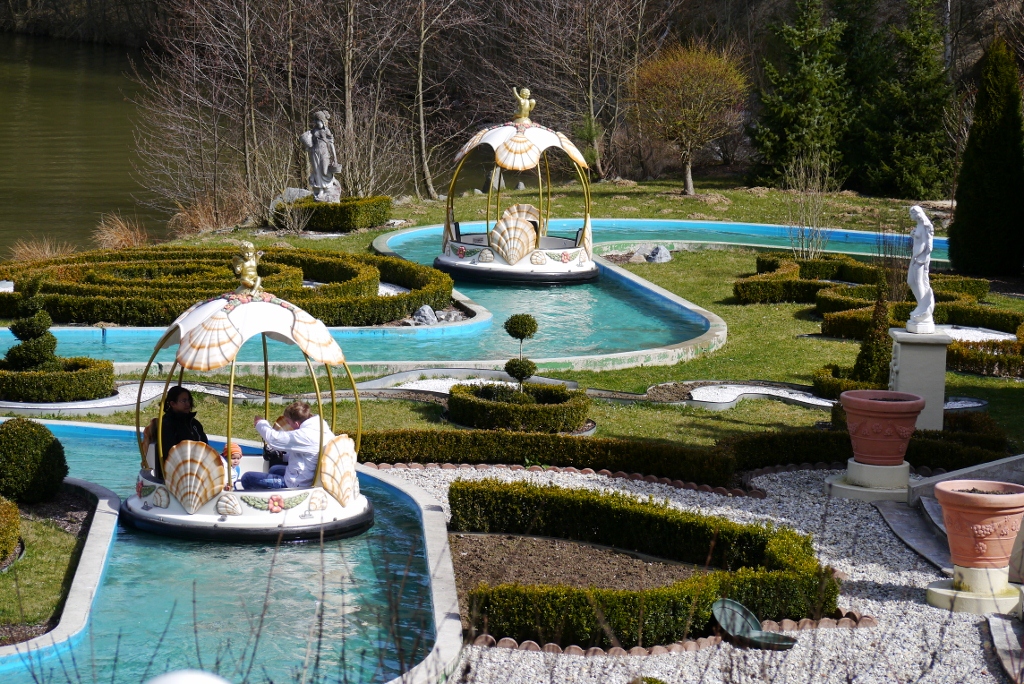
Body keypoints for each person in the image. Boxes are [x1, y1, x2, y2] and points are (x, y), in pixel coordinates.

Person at [241, 401, 333, 490]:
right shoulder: (320, 428)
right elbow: (306, 455)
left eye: (288, 422)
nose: (288, 425)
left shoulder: (305, 435)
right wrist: (283, 456)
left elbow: (274, 439)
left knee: (247, 478)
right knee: (274, 469)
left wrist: (260, 423)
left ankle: (267, 499)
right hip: (308, 475)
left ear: (296, 423)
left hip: (298, 485)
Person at [142, 386, 209, 479]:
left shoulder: (194, 423)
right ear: (173, 404)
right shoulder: (167, 425)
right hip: (176, 473)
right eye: (184, 401)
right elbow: (170, 452)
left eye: (189, 400)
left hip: (196, 467)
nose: (188, 404)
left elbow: (205, 445)